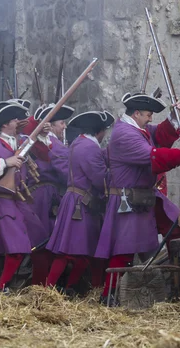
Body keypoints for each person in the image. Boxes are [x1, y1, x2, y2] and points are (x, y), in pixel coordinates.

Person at [95, 93, 180, 306]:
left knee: (174, 226)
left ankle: (176, 281)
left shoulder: (135, 128)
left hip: (142, 198)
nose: (150, 119)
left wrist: (172, 118)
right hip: (128, 201)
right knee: (124, 250)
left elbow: (159, 134)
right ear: (137, 113)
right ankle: (108, 295)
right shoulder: (124, 134)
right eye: (148, 115)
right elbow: (152, 156)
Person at [0, 101, 49, 292]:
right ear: (4, 124)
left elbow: (45, 155)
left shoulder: (18, 140)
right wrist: (6, 162)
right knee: (12, 249)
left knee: (3, 248)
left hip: (14, 202)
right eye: (14, 119)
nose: (17, 122)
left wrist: (41, 132)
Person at [46, 110, 115, 295]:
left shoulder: (79, 142)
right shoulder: (89, 147)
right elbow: (99, 178)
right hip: (81, 204)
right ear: (99, 132)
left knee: (80, 252)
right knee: (70, 251)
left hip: (77, 200)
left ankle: (65, 289)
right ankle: (50, 289)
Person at [19, 103, 74, 286]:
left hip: (43, 194)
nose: (64, 126)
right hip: (43, 196)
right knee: (43, 241)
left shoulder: (44, 142)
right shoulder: (47, 143)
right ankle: (40, 284)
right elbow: (64, 170)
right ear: (49, 125)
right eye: (61, 123)